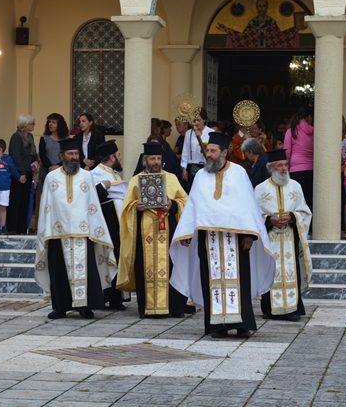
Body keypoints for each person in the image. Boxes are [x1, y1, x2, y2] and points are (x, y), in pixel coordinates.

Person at [170, 132, 275, 338]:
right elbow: (193, 205)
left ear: (224, 152)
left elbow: (248, 206)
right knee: (211, 281)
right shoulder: (200, 175)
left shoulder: (238, 173)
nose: (208, 154)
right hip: (208, 239)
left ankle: (242, 323)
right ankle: (217, 326)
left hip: (236, 239)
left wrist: (250, 236)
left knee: (239, 281)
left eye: (212, 151)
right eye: (207, 150)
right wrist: (186, 232)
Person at [35, 139, 116, 320]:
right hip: (58, 233)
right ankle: (60, 308)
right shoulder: (51, 178)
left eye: (76, 154)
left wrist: (97, 230)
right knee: (59, 274)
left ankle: (85, 307)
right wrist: (44, 230)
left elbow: (93, 205)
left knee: (87, 272)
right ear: (61, 156)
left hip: (83, 232)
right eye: (70, 154)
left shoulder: (86, 177)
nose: (74, 158)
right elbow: (46, 206)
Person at [117, 142, 189, 318]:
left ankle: (173, 307)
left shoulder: (171, 178)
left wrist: (173, 205)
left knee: (171, 265)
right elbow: (126, 208)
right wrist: (136, 207)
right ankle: (148, 307)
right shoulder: (135, 180)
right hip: (144, 232)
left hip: (168, 230)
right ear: (145, 160)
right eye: (152, 158)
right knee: (144, 267)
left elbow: (185, 202)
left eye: (158, 158)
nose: (156, 162)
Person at [255, 148, 312, 321]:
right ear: (271, 168)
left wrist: (292, 217)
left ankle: (293, 309)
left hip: (290, 236)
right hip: (270, 239)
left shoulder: (296, 186)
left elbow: (305, 212)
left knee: (291, 269)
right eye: (279, 165)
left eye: (285, 165)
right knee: (270, 269)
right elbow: (254, 215)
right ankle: (270, 309)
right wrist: (269, 220)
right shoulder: (260, 188)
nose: (283, 168)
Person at [91, 140, 128, 310]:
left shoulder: (114, 174)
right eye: (117, 154)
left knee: (119, 257)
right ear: (112, 157)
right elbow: (93, 197)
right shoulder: (96, 174)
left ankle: (116, 297)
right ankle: (106, 296)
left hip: (118, 223)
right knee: (107, 257)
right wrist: (103, 187)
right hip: (106, 223)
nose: (119, 157)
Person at [7, 114, 39, 235]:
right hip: (19, 174)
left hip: (28, 172)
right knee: (16, 200)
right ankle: (13, 228)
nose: (34, 125)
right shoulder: (16, 137)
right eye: (32, 123)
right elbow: (15, 157)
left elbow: (33, 152)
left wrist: (36, 162)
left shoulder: (30, 136)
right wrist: (22, 173)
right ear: (25, 125)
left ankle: (22, 228)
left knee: (25, 201)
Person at [284, 108, 314, 215]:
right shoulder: (314, 131)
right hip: (311, 168)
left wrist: (286, 167)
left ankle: (299, 225)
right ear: (308, 117)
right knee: (310, 198)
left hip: (295, 169)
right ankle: (310, 225)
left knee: (297, 199)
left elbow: (287, 152)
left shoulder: (291, 131)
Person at [180, 107, 214, 190]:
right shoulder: (189, 133)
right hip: (192, 166)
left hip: (206, 165)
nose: (196, 123)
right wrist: (184, 168)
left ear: (204, 120)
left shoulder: (211, 132)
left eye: (198, 120)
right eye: (194, 120)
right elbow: (185, 152)